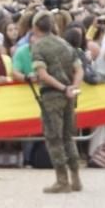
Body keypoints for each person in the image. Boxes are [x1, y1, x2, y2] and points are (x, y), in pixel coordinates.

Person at [30, 11, 84, 193]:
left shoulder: (38, 47)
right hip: (69, 95)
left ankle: (62, 180)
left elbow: (43, 74)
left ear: (36, 27)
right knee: (68, 137)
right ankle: (76, 178)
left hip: (52, 95)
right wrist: (72, 89)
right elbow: (79, 70)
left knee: (54, 138)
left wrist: (62, 88)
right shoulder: (66, 45)